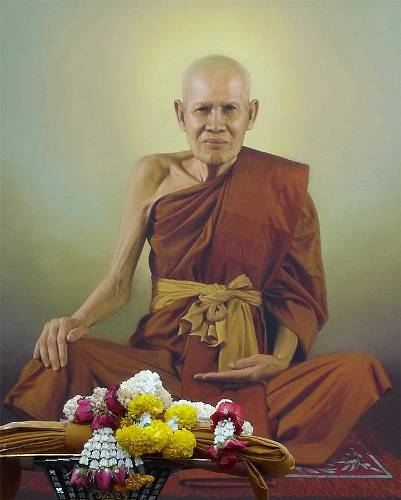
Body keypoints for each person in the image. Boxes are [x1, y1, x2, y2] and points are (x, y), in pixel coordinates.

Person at [3, 55, 391, 464]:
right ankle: (200, 422)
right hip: (162, 364)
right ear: (180, 113)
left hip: (244, 366)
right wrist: (75, 321)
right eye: (203, 109)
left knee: (358, 370)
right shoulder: (153, 174)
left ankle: (164, 425)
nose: (216, 124)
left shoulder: (283, 188)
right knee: (59, 361)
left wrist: (277, 361)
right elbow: (118, 281)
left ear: (251, 114)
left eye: (230, 109)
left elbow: (297, 292)